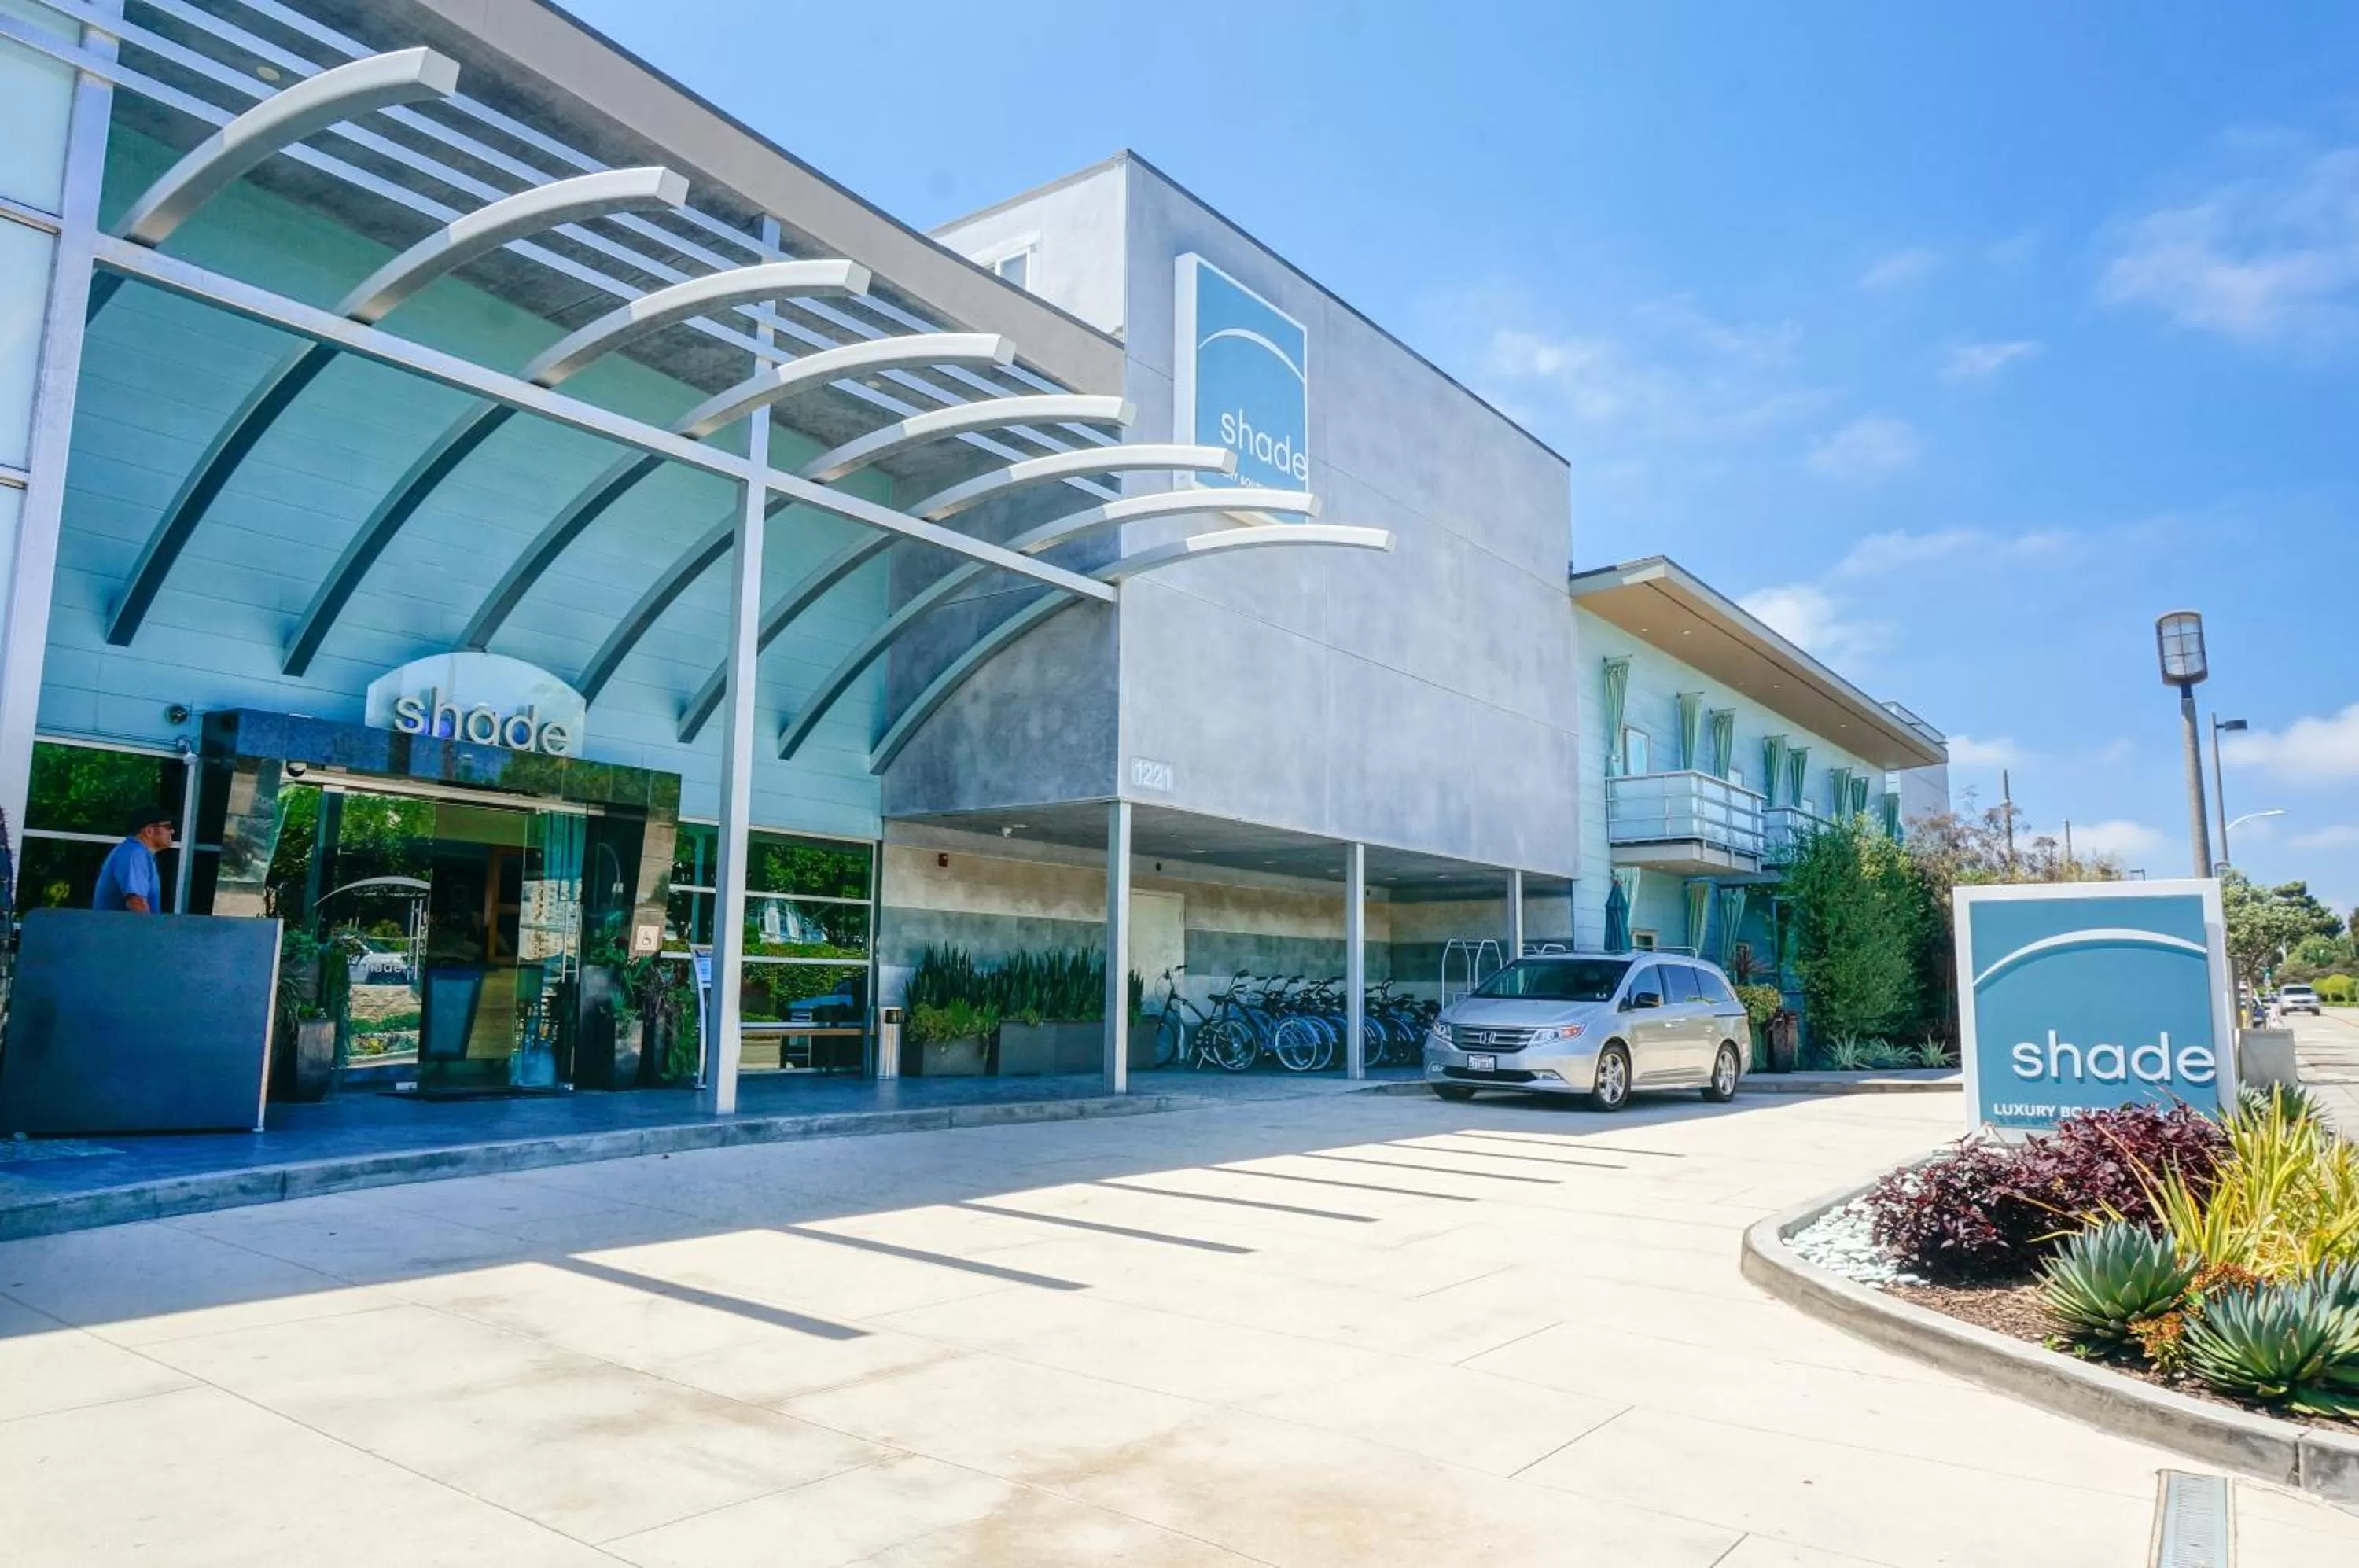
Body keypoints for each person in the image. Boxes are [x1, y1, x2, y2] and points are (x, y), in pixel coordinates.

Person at [92, 806, 175, 913]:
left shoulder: (139, 853)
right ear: (149, 831)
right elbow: (136, 902)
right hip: (118, 929)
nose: (172, 831)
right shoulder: (135, 854)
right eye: (168, 827)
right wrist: (152, 929)